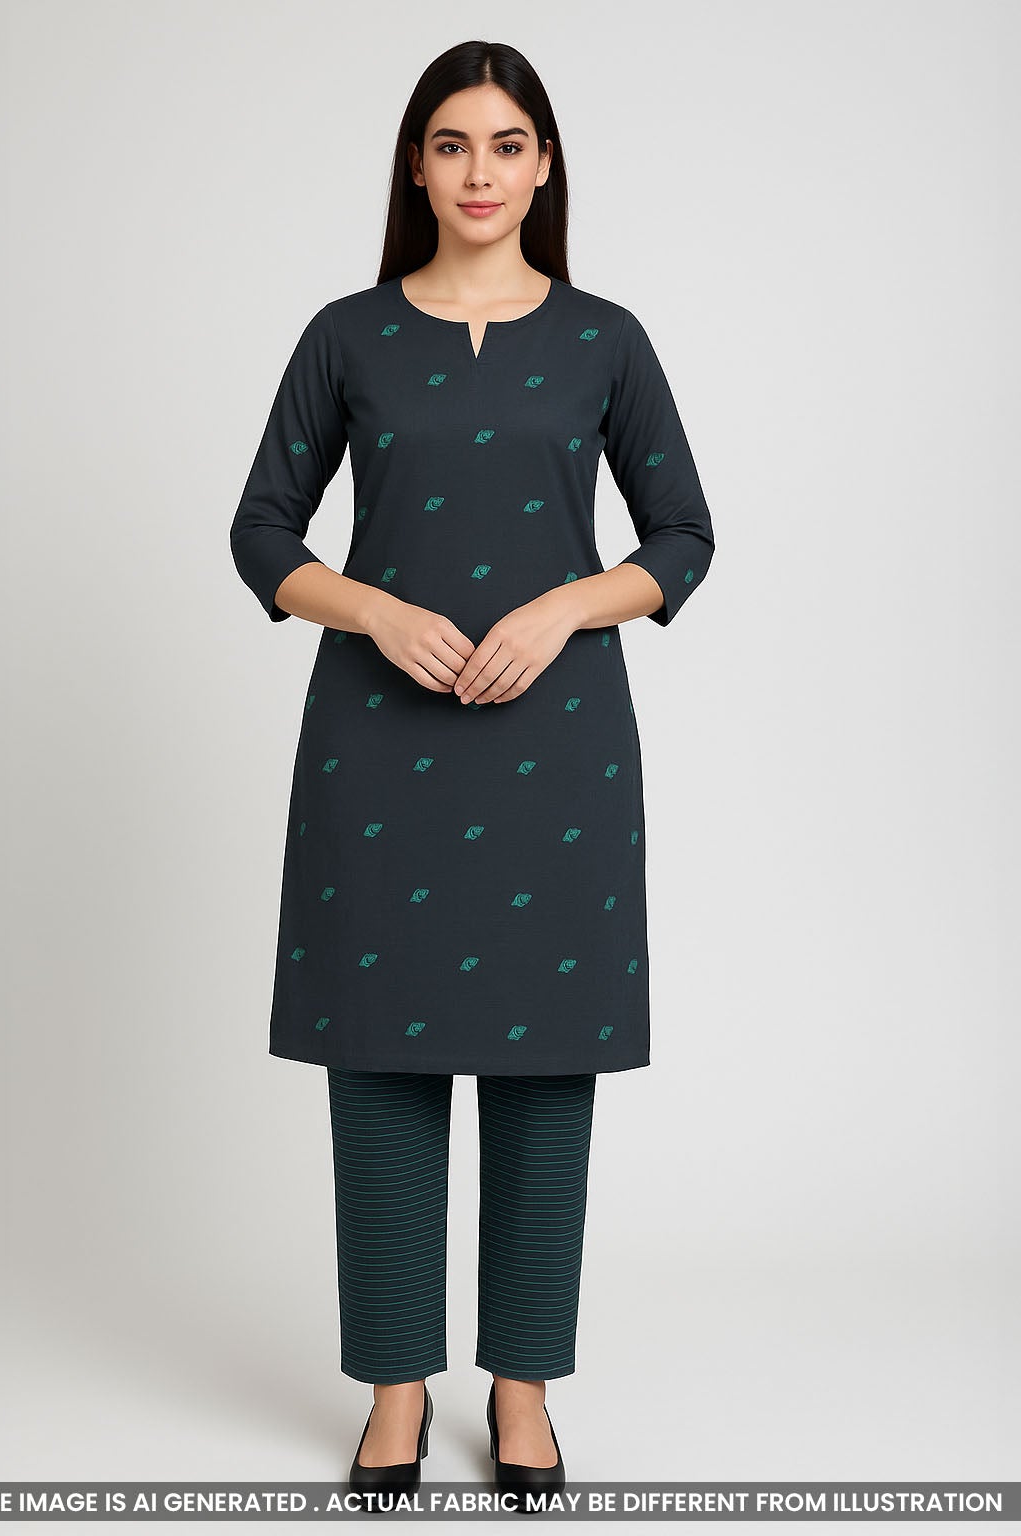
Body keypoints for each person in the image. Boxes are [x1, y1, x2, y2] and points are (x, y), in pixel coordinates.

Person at [229, 40, 715, 1498]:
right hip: (378, 748)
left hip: (557, 756)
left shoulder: (606, 340)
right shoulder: (349, 336)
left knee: (544, 1066)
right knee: (380, 1062)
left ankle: (520, 1390)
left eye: (507, 145)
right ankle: (394, 1390)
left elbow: (684, 535)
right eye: (453, 145)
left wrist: (566, 608)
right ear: (417, 166)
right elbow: (262, 531)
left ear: (545, 165)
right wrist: (374, 609)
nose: (481, 172)